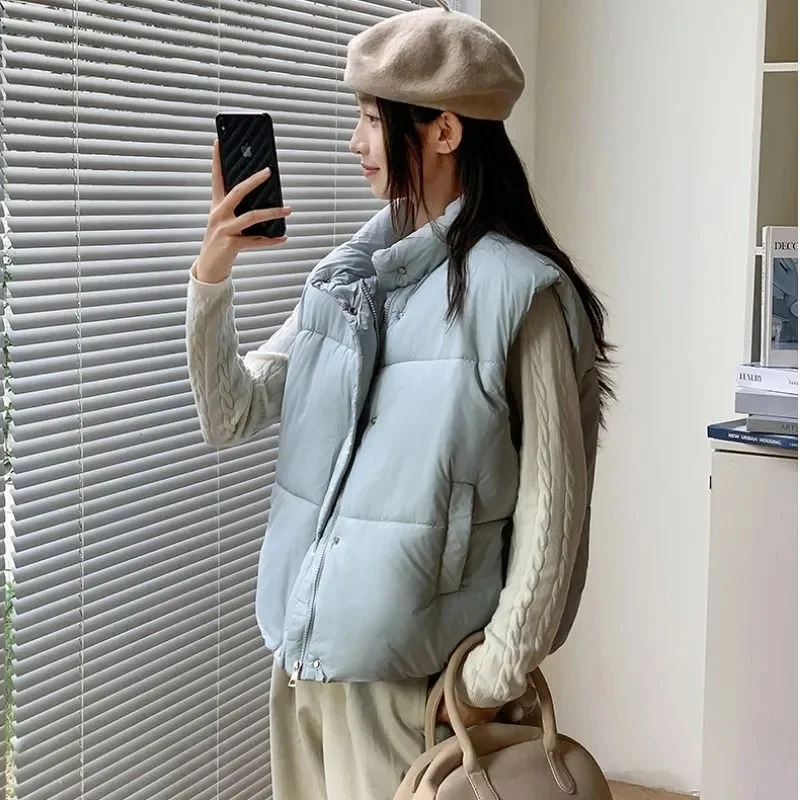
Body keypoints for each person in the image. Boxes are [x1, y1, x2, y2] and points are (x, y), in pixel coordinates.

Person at [186, 6, 612, 800]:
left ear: (444, 131)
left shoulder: (523, 296)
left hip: (412, 694)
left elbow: (553, 514)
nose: (355, 142)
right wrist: (212, 277)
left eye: (371, 120)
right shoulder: (344, 283)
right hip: (303, 669)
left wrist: (490, 677)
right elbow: (230, 413)